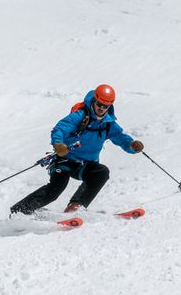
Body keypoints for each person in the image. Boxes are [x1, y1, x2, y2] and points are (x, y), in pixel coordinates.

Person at [10, 84, 144, 215]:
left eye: (105, 106)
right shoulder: (80, 116)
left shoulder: (108, 124)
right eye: (99, 105)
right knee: (56, 188)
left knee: (102, 172)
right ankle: (19, 211)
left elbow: (121, 138)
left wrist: (132, 145)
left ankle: (75, 206)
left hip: (85, 165)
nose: (101, 109)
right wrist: (58, 144)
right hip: (65, 160)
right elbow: (60, 128)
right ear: (94, 101)